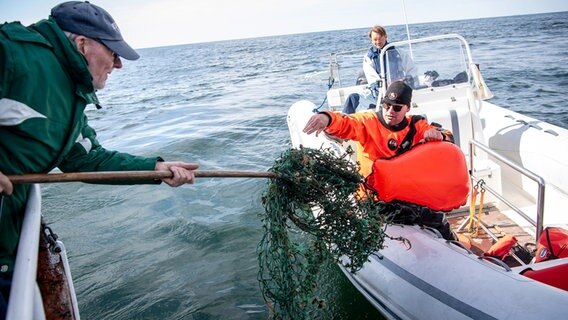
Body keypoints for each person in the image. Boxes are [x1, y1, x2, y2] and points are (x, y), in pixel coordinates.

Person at [0, 1, 198, 315]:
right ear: (82, 44)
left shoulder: (70, 97)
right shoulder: (14, 52)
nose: (118, 64)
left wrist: (157, 168)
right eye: (114, 53)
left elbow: (88, 159)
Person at [303, 81, 453, 179]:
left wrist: (438, 135)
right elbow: (345, 123)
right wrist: (327, 118)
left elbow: (447, 135)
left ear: (408, 108)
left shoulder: (416, 125)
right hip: (373, 194)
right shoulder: (368, 121)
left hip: (407, 191)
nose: (390, 111)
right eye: (387, 105)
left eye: (397, 108)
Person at [342, 25, 417, 114]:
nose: (378, 42)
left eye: (380, 38)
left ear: (385, 36)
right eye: (375, 39)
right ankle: (342, 124)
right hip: (379, 93)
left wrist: (405, 82)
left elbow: (411, 69)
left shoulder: (398, 52)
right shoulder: (369, 57)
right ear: (371, 40)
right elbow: (372, 78)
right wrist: (380, 91)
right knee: (352, 98)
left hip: (397, 92)